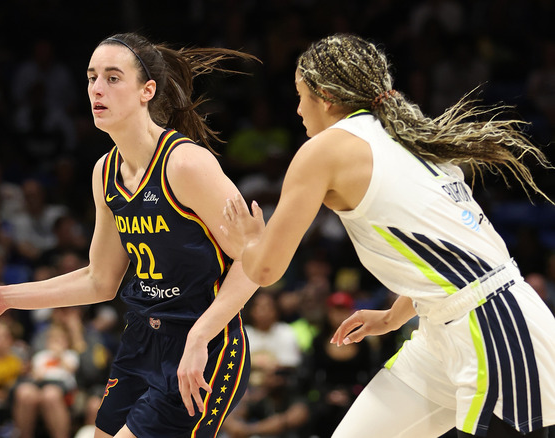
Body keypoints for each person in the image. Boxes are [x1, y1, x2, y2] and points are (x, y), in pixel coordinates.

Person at [222, 34, 555, 438]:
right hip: (444, 329)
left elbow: (267, 269)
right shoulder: (408, 138)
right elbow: (445, 253)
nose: (297, 108)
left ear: (325, 96)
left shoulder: (326, 150)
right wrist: (395, 315)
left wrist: (247, 241)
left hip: (499, 331)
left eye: (300, 94)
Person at [0, 32, 261, 438]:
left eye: (113, 78)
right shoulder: (105, 173)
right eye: (91, 77)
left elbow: (254, 262)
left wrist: (200, 336)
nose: (97, 89)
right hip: (140, 340)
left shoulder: (186, 164)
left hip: (205, 343)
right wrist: (4, 297)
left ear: (146, 91)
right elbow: (99, 280)